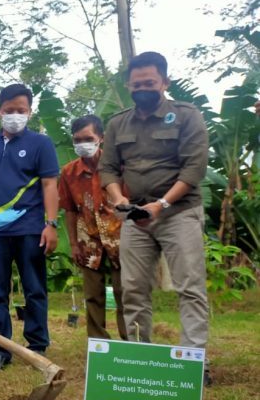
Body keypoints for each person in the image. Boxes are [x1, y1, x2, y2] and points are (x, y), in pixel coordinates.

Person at [99, 51, 210, 381]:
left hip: (180, 212)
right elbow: (107, 168)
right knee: (132, 289)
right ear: (128, 86)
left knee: (190, 287)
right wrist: (119, 198)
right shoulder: (118, 123)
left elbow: (194, 167)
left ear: (164, 82)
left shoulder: (187, 116)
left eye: (149, 82)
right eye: (136, 84)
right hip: (135, 215)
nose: (142, 88)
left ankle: (194, 363)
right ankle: (138, 358)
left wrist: (161, 204)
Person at [0, 83, 60, 372]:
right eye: (9, 110)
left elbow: (50, 185)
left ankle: (36, 347)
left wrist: (51, 224)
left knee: (34, 289)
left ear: (29, 112)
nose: (15, 115)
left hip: (31, 228)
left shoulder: (41, 144)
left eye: (21, 110)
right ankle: (1, 349)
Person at [59, 115, 127, 340]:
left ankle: (131, 345)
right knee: (92, 295)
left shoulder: (118, 167)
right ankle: (99, 346)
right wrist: (73, 243)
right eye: (77, 140)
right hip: (87, 239)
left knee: (124, 293)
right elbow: (69, 209)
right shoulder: (68, 173)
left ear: (101, 138)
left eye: (88, 138)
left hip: (120, 237)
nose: (82, 144)